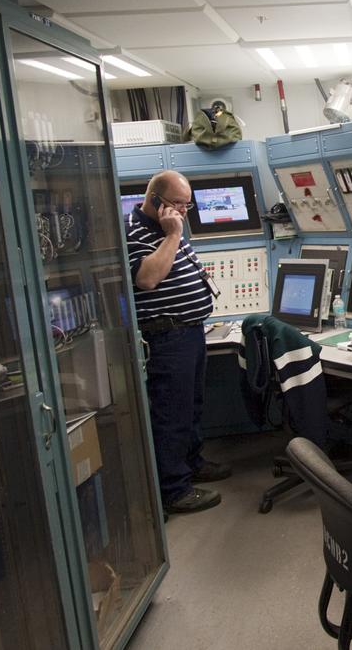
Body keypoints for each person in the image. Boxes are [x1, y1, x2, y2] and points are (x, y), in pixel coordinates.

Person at [126, 169, 230, 514]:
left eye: (187, 205)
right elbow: (147, 279)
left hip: (190, 332)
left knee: (191, 407)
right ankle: (174, 489)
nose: (183, 211)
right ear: (154, 199)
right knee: (171, 413)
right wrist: (173, 235)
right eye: (178, 204)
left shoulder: (168, 226)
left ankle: (192, 463)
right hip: (166, 337)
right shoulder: (133, 232)